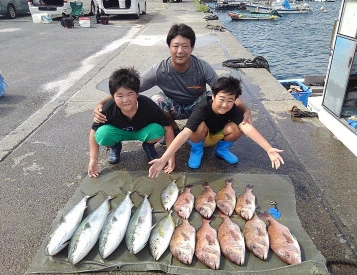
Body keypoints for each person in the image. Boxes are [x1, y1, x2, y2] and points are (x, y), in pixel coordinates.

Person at [93, 23, 252, 148]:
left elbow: (223, 91)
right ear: (169, 47)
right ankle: (173, 129)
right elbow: (129, 88)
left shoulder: (202, 67)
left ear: (191, 48)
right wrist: (102, 103)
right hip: (173, 107)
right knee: (156, 99)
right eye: (176, 46)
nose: (180, 51)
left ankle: (202, 133)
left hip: (197, 107)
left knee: (209, 98)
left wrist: (245, 110)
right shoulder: (159, 70)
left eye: (185, 46)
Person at [148, 76, 284, 178]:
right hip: (201, 136)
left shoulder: (233, 108)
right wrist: (163, 159)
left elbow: (246, 127)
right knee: (196, 127)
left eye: (230, 100)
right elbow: (184, 134)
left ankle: (221, 150)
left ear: (235, 100)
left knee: (237, 127)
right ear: (213, 96)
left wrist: (268, 149)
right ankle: (197, 150)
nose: (225, 104)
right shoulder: (202, 108)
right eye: (221, 99)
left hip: (217, 135)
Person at [88, 67, 175, 178]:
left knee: (158, 129)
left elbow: (167, 128)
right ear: (113, 97)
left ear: (137, 94)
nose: (125, 100)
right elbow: (93, 132)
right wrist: (93, 160)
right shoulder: (107, 109)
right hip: (119, 133)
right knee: (101, 133)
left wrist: (170, 158)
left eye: (130, 94)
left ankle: (148, 146)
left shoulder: (148, 105)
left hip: (142, 131)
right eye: (120, 96)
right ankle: (115, 147)